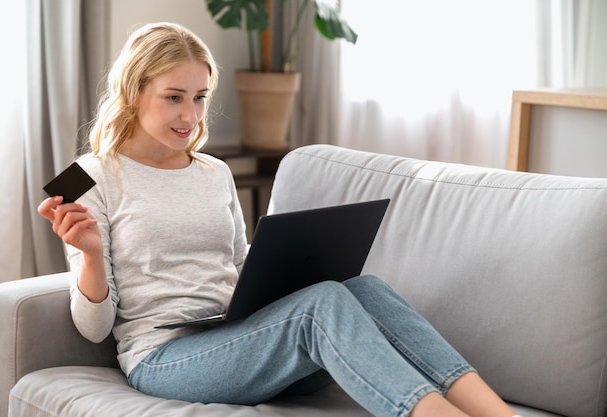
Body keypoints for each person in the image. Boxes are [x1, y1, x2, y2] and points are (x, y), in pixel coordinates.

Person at [38, 22, 521, 417]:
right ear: (134, 90)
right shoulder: (85, 176)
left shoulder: (214, 171)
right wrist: (91, 255)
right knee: (322, 304)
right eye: (174, 97)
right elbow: (94, 329)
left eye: (201, 96)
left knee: (364, 289)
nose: (191, 114)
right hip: (164, 356)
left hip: (240, 337)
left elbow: (236, 265)